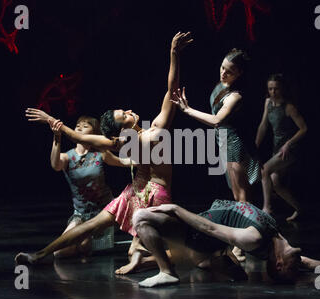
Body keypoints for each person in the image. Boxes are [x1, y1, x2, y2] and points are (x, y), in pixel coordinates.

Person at [15, 31, 193, 274]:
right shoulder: (154, 132)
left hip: (137, 191)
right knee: (179, 250)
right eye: (125, 114)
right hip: (154, 193)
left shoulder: (121, 143)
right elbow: (171, 90)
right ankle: (40, 255)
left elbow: (80, 137)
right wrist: (174, 54)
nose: (130, 110)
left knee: (96, 228)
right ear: (123, 127)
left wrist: (53, 121)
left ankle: (41, 255)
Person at [132, 200, 320, 287]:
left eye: (292, 269)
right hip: (206, 234)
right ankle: (216, 260)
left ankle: (167, 272)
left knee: (140, 217)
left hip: (198, 235)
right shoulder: (275, 240)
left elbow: (210, 229)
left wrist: (175, 209)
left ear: (278, 264)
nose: (297, 264)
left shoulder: (257, 240)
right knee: (210, 265)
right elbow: (303, 261)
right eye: (295, 267)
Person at [170, 48, 261, 260]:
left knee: (242, 197)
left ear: (239, 73)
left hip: (234, 143)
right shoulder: (221, 87)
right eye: (222, 67)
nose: (222, 73)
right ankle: (243, 238)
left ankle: (242, 243)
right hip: (224, 141)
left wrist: (187, 110)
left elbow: (217, 120)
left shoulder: (235, 96)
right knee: (237, 195)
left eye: (228, 71)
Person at [48, 115, 131, 259]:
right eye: (78, 125)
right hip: (80, 213)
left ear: (94, 134)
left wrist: (144, 160)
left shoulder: (100, 154)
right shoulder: (67, 157)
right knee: (59, 252)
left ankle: (89, 244)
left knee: (86, 245)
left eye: (85, 126)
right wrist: (57, 137)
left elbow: (122, 162)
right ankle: (85, 246)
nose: (80, 127)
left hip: (102, 212)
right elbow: (55, 165)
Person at [255, 74, 308, 221]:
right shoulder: (268, 103)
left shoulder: (289, 107)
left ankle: (267, 208)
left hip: (290, 148)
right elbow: (263, 125)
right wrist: (255, 146)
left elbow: (303, 128)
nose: (273, 92)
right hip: (277, 148)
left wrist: (288, 144)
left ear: (282, 89)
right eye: (270, 89)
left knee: (265, 170)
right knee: (276, 183)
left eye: (276, 89)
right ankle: (300, 209)